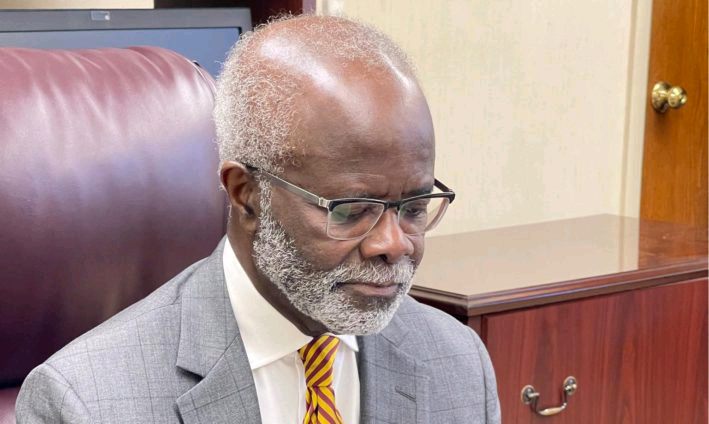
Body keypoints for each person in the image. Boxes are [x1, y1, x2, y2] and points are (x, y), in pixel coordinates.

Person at [16, 14, 500, 424]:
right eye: (353, 210)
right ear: (246, 194)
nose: (395, 244)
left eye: (414, 208)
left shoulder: (458, 365)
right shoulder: (86, 402)